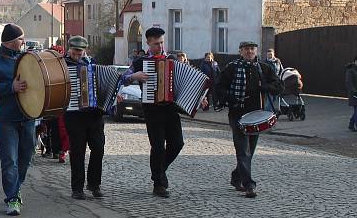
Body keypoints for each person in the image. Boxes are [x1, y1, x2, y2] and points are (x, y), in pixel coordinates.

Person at [122, 27, 205, 197]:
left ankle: (159, 171)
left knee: (177, 144)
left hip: (171, 109)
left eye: (161, 42)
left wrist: (199, 98)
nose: (160, 46)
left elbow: (187, 82)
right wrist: (134, 76)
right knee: (158, 146)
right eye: (156, 43)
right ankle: (159, 183)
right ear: (148, 43)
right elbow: (123, 78)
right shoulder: (140, 61)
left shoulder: (172, 60)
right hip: (152, 110)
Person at [215, 41, 283, 198]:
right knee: (243, 149)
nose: (249, 51)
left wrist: (266, 87)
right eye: (246, 49)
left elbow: (279, 86)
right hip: (237, 113)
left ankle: (236, 177)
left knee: (249, 150)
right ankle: (249, 185)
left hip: (257, 115)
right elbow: (219, 87)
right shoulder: (232, 67)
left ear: (256, 51)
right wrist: (228, 97)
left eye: (252, 49)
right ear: (240, 51)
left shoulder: (264, 68)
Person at [0, 23, 34, 216]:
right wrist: (11, 87)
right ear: (11, 42)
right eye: (21, 39)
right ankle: (12, 198)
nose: (24, 42)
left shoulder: (26, 59)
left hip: (28, 116)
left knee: (26, 157)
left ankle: (16, 188)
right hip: (6, 118)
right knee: (9, 159)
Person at [63, 36, 106, 199]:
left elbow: (103, 84)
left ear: (85, 50)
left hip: (94, 115)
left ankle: (94, 184)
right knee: (77, 151)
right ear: (69, 49)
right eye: (75, 50)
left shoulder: (92, 64)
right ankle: (77, 188)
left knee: (98, 149)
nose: (77, 54)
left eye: (80, 51)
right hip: (74, 114)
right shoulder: (63, 65)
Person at [346, 55, 357, 132]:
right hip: (354, 94)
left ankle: (351, 123)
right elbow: (349, 83)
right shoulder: (350, 70)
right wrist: (354, 92)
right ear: (355, 61)